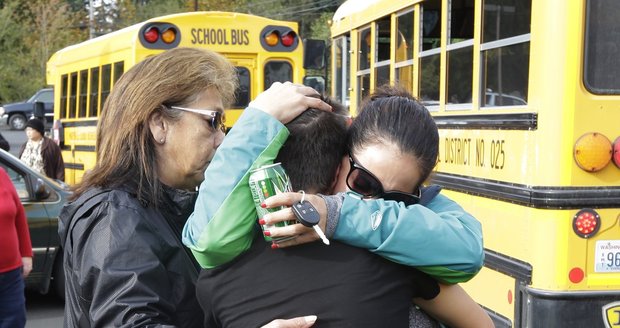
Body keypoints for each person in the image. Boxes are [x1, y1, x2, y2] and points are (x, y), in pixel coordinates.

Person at [57, 47, 330, 328]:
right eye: (212, 121)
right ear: (159, 124)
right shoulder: (115, 214)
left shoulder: (156, 206)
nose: (221, 139)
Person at [183, 91, 490, 327]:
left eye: (397, 200)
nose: (373, 205)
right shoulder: (392, 259)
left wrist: (338, 214)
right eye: (364, 183)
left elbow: (466, 251)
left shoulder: (217, 279)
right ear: (339, 156)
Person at [0, 167, 33, 328]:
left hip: (11, 275)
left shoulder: (1, 174)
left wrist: (26, 253)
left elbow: (19, 212)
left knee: (16, 320)